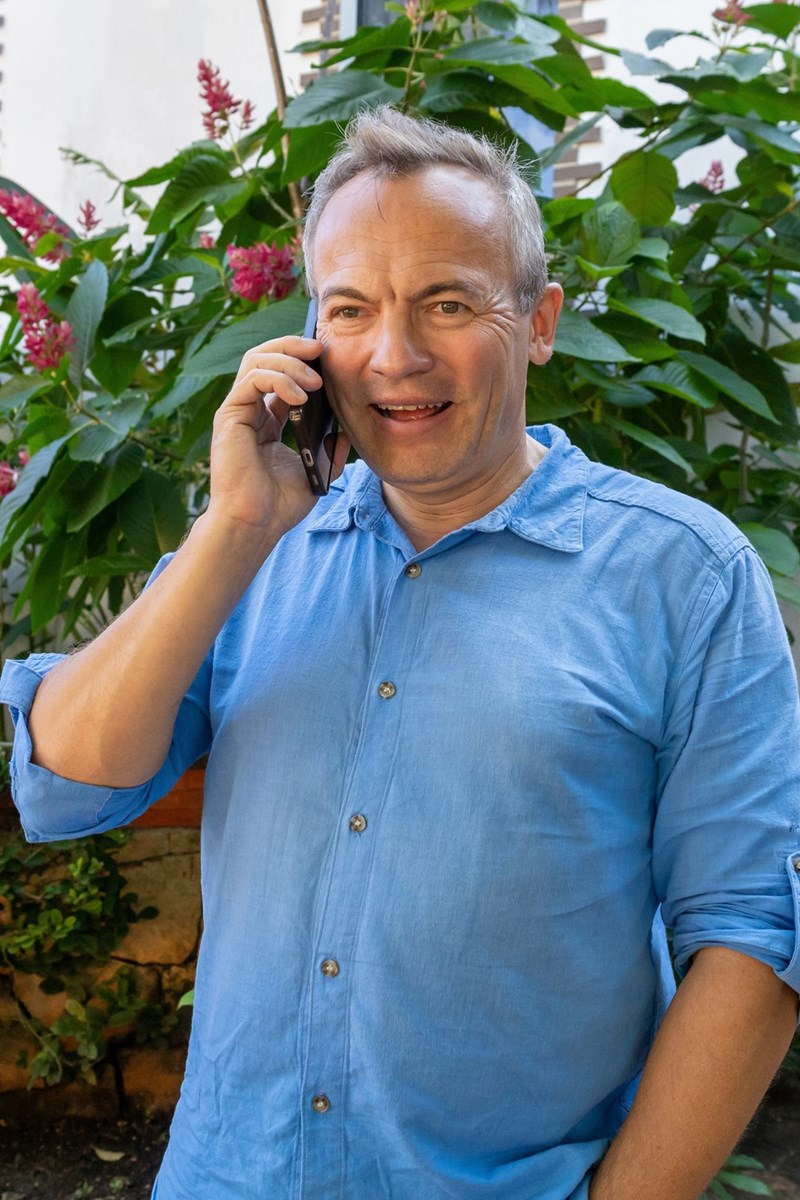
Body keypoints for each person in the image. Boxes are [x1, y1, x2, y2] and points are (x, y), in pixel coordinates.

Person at [1, 106, 799, 1200]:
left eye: (447, 302)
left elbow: (751, 941)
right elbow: (64, 786)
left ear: (539, 321)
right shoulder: (253, 544)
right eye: (351, 308)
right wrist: (233, 530)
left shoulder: (684, 574)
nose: (395, 353)